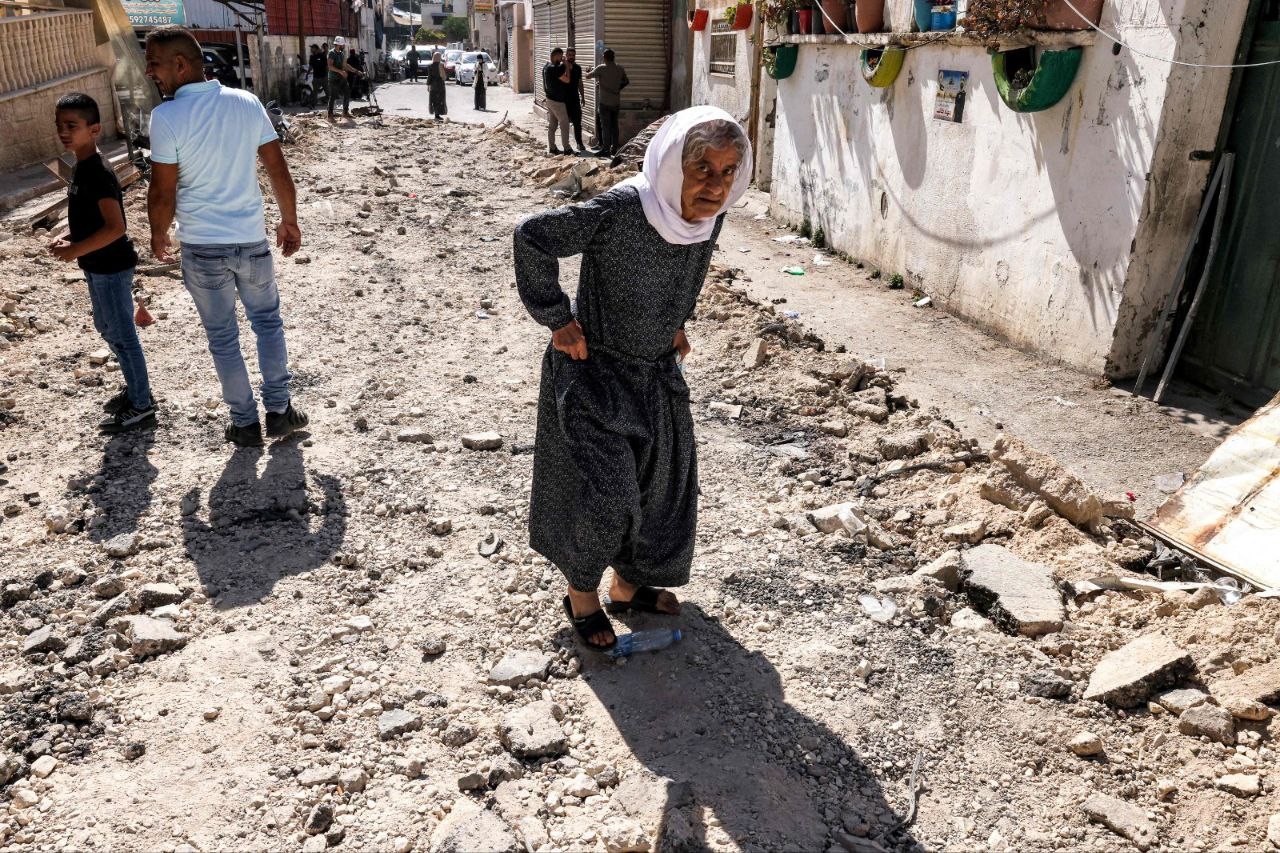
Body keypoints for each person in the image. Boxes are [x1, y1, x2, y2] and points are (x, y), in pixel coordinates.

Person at [513, 106, 752, 650]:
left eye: (728, 170)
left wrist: (673, 326)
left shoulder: (707, 219)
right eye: (702, 170)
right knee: (610, 493)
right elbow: (532, 236)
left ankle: (626, 588)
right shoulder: (625, 208)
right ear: (673, 168)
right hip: (595, 374)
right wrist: (558, 319)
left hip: (655, 375)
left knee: (665, 489)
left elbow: (680, 276)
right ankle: (581, 594)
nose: (716, 185)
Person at [144, 26, 309, 448]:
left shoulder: (166, 117)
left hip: (202, 249)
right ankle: (279, 410)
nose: (150, 72)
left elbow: (163, 189)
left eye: (155, 63)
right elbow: (277, 169)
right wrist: (289, 220)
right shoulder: (246, 103)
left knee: (222, 337)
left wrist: (158, 234)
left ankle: (244, 423)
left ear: (180, 65)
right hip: (250, 242)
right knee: (268, 324)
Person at [48, 93, 155, 434]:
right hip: (96, 265)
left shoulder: (97, 171)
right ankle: (135, 388)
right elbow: (90, 219)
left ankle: (142, 404)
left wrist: (76, 249)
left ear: (94, 129)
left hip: (110, 266)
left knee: (123, 335)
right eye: (60, 126)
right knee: (108, 329)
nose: (64, 132)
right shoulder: (82, 165)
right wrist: (71, 241)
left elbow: (116, 227)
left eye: (72, 126)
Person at [586, 48, 628, 157]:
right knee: (614, 126)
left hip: (605, 103)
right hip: (616, 102)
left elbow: (588, 76)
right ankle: (614, 148)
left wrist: (589, 70)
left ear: (604, 57)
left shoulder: (601, 68)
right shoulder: (620, 68)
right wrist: (618, 88)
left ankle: (606, 150)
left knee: (605, 127)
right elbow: (626, 81)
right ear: (613, 57)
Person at [541, 47, 571, 155]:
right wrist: (566, 65)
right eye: (561, 55)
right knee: (564, 124)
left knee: (552, 125)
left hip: (549, 99)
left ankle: (552, 148)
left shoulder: (546, 66)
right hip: (557, 101)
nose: (562, 58)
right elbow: (567, 79)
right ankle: (567, 148)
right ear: (556, 55)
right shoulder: (554, 68)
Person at [564, 47, 586, 153]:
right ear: (566, 55)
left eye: (573, 55)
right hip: (564, 99)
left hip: (575, 99)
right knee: (565, 123)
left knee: (577, 122)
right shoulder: (561, 67)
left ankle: (579, 143)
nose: (571, 57)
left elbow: (580, 83)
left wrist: (583, 96)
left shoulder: (578, 68)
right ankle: (566, 145)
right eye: (570, 55)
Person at [326, 36, 352, 119]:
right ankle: (330, 115)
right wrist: (341, 71)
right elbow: (330, 66)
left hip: (341, 78)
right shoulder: (331, 53)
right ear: (339, 45)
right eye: (343, 44)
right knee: (333, 96)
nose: (344, 46)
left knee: (347, 93)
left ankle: (345, 112)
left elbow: (345, 65)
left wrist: (355, 71)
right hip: (333, 78)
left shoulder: (341, 53)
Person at [426, 50, 447, 120]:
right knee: (440, 99)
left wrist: (428, 85)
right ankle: (438, 115)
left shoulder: (430, 66)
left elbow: (429, 77)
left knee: (434, 100)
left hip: (433, 86)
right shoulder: (441, 65)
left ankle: (436, 114)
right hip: (441, 85)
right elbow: (444, 76)